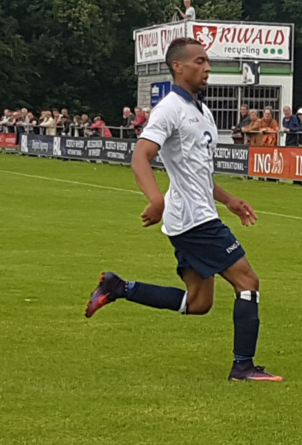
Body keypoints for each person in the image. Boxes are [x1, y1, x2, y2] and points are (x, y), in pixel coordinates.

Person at [84, 37, 282, 382]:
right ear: (178, 66)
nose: (207, 68)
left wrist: (230, 200)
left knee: (199, 303)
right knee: (248, 281)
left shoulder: (202, 112)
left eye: (208, 63)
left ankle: (118, 287)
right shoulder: (169, 108)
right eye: (200, 61)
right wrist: (156, 199)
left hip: (194, 215)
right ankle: (243, 366)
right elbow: (140, 156)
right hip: (193, 219)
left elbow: (198, 173)